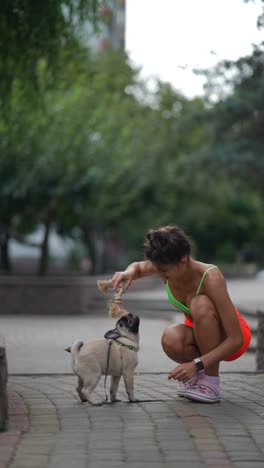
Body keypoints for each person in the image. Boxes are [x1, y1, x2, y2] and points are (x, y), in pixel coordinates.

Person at [111, 225, 251, 404]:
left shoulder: (210, 277)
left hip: (232, 339)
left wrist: (196, 364)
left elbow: (236, 339)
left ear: (183, 261)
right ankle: (200, 378)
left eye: (164, 271)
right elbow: (138, 268)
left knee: (199, 303)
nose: (160, 274)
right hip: (202, 335)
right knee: (171, 338)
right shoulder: (167, 265)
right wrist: (128, 272)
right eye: (157, 269)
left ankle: (210, 382)